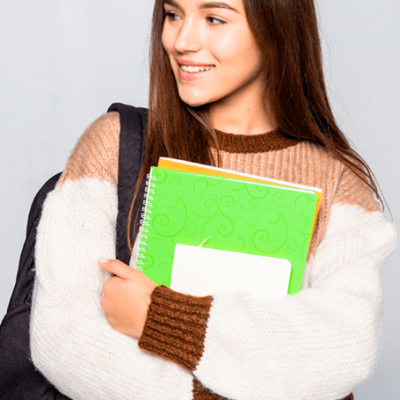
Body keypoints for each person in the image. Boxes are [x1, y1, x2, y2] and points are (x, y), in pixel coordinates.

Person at [27, 0, 396, 399]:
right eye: (173, 14)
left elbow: (344, 344)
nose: (182, 40)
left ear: (276, 26)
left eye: (214, 18)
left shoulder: (339, 181)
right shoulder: (113, 147)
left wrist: (162, 317)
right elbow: (62, 335)